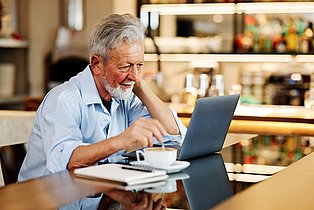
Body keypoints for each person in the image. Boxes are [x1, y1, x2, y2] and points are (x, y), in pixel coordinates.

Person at [18, 13, 186, 182]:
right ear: (97, 64)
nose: (134, 75)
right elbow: (65, 160)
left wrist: (141, 87)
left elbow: (173, 134)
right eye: (126, 66)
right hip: (46, 200)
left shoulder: (124, 94)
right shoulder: (63, 99)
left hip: (95, 195)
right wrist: (121, 141)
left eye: (139, 65)